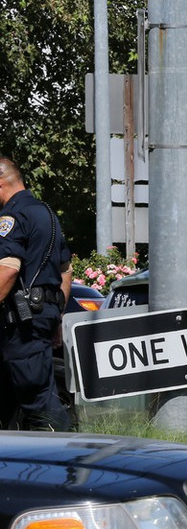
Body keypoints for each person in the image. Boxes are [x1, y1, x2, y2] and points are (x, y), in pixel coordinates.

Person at [0, 157, 73, 430]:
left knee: (38, 399)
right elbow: (65, 271)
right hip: (38, 317)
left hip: (22, 323)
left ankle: (63, 460)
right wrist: (56, 316)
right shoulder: (46, 213)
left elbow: (7, 270)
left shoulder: (12, 216)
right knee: (10, 398)